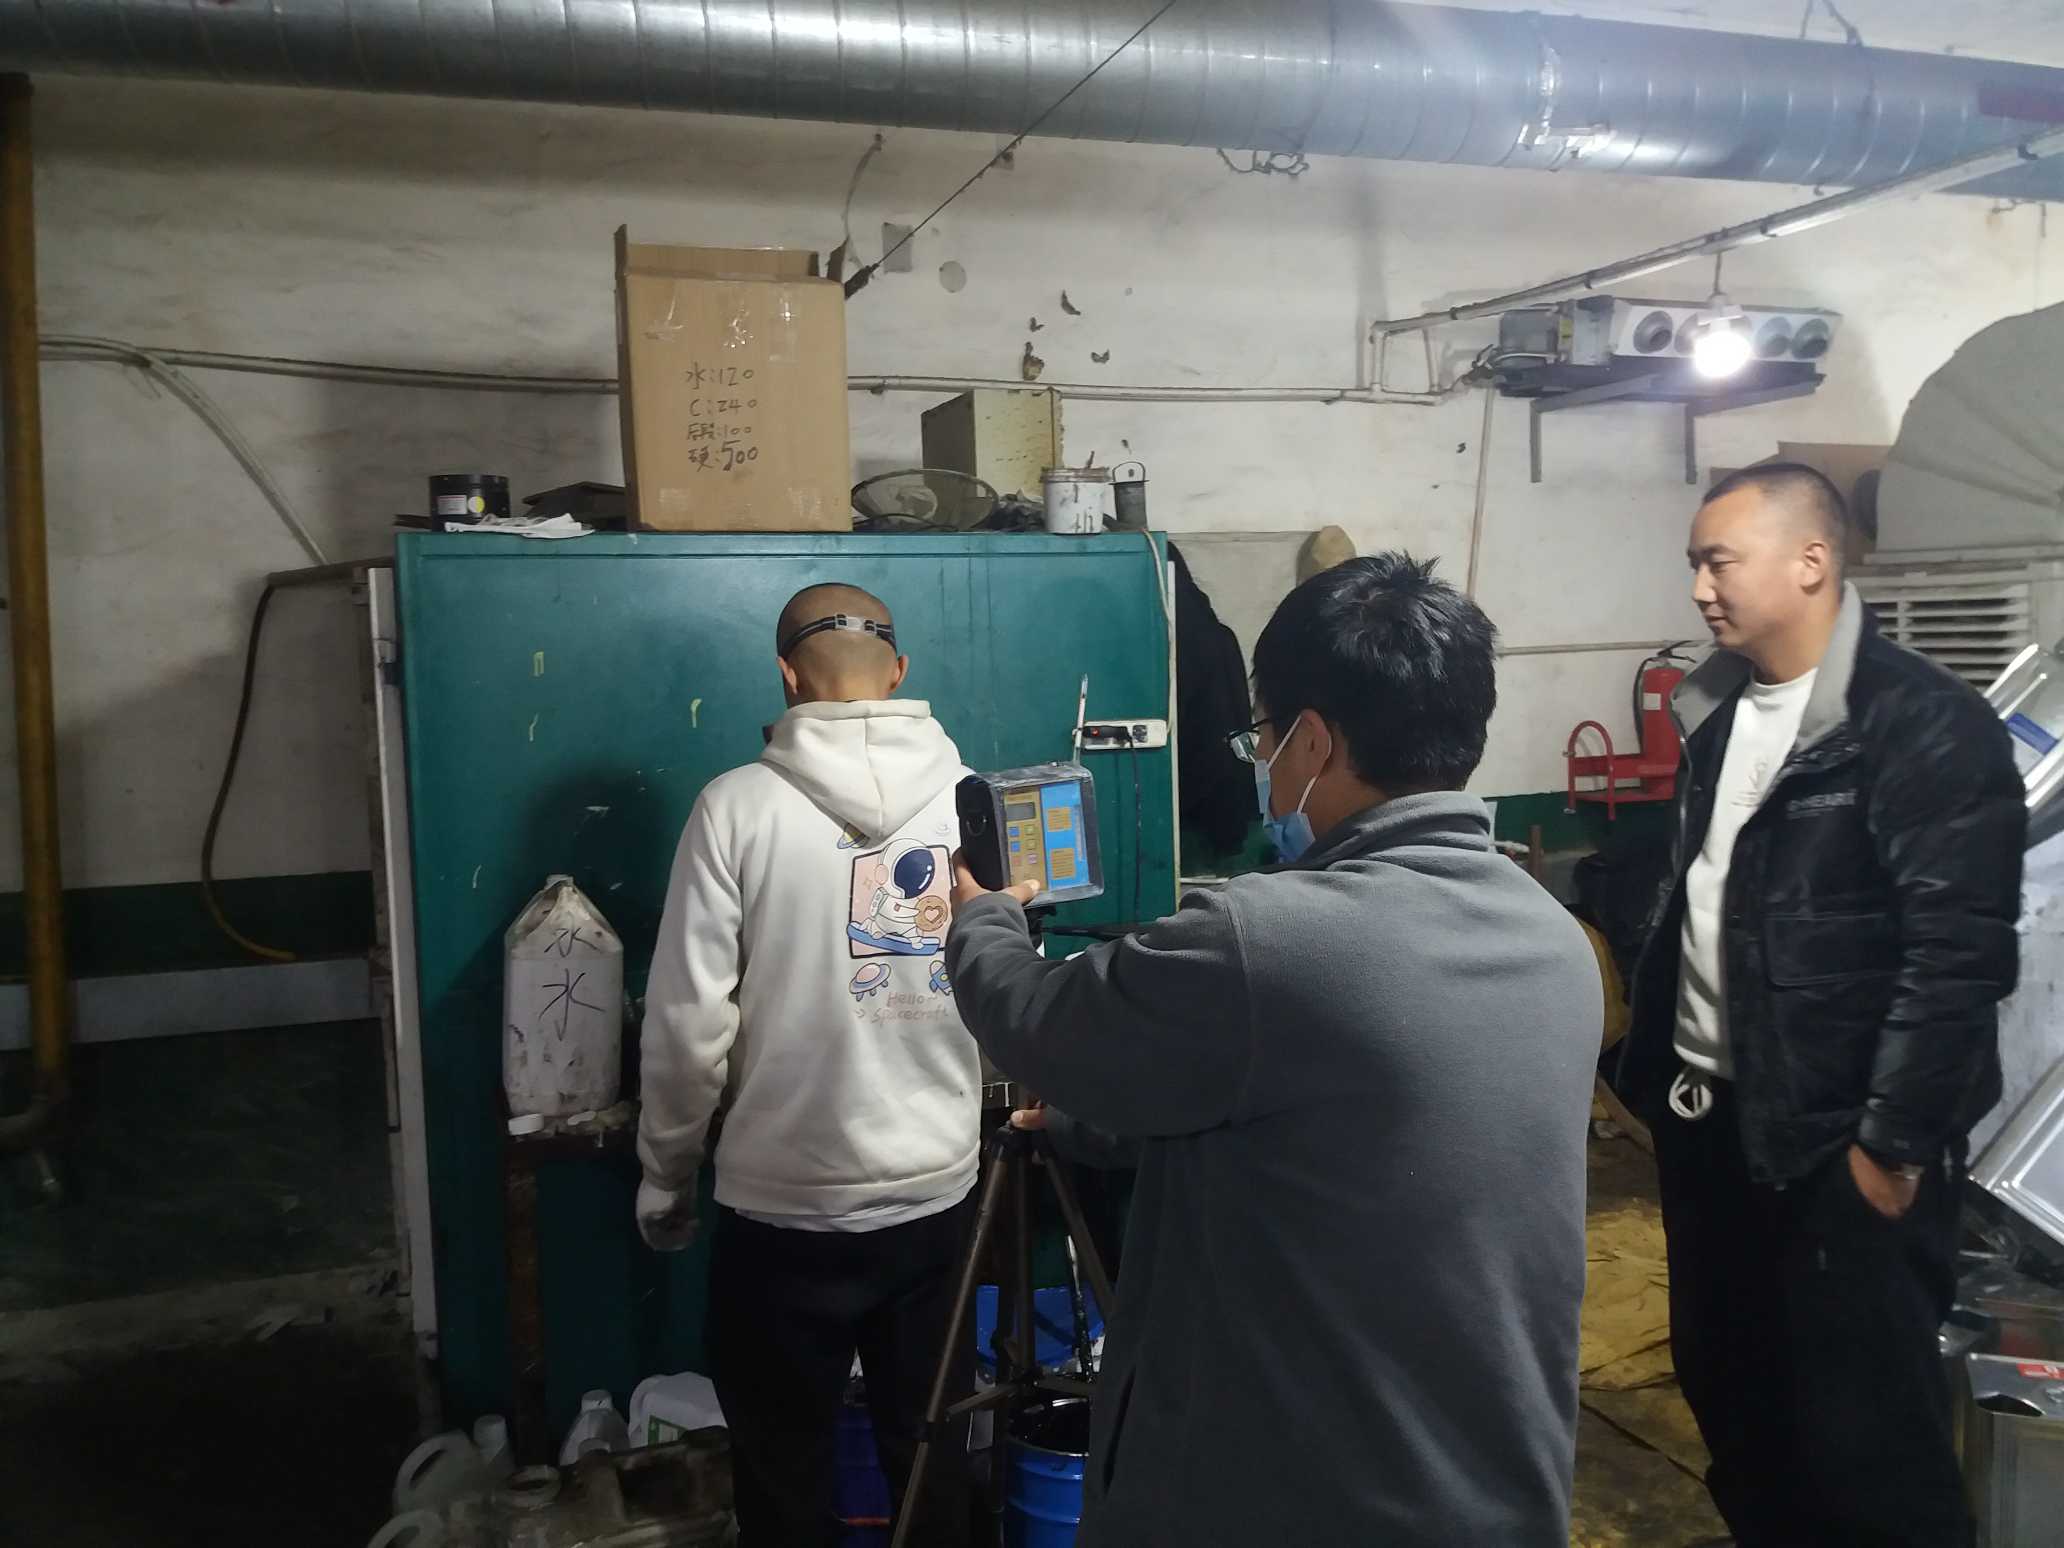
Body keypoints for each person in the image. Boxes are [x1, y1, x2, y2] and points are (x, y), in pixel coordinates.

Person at [946, 553, 1600, 1547]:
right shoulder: (1551, 936)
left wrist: (985, 918)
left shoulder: (1260, 941)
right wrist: (1093, 1125)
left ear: (1314, 741)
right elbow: (1344, 1124)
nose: (1260, 760)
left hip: (1295, 1496)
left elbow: (1034, 1018)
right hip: (1491, 1486)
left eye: (1261, 735)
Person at [1616, 464, 2024, 1547]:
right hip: (1713, 1132)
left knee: (1869, 1451)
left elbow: (1958, 958)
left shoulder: (1921, 724)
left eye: (1718, 562)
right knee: (1739, 1409)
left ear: (1811, 561)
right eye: (1694, 565)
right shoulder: (1714, 713)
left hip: (1837, 1150)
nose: (1699, 588)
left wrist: (1890, 1147)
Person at [637, 582, 977, 1547]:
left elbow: (687, 1024)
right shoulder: (976, 801)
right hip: (936, 1196)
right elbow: (1006, 984)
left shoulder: (733, 808)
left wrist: (665, 1178)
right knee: (934, 1458)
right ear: (900, 673)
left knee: (783, 1468)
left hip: (782, 1205)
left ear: (786, 676)